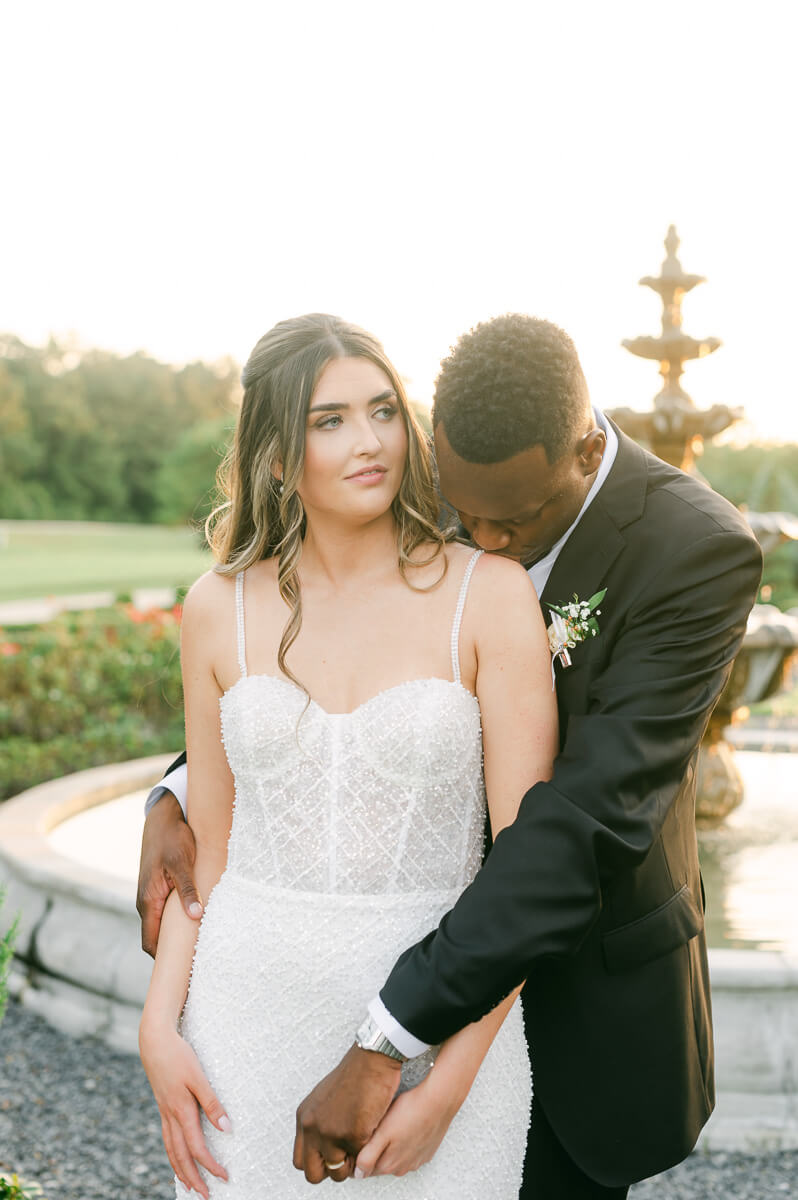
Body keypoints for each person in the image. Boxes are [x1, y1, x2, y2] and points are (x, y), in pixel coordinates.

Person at [140, 314, 762, 1199]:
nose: (482, 537)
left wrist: (398, 1046)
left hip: (572, 983)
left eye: (512, 520)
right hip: (282, 995)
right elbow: (306, 678)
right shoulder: (431, 477)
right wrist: (174, 794)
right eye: (465, 516)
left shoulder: (692, 550)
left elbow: (581, 821)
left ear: (586, 452)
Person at [137, 312, 558, 1199]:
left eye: (382, 411)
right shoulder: (219, 607)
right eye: (329, 421)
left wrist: (446, 1087)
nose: (369, 442)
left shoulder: (487, 596)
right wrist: (158, 1023)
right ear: (278, 458)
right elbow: (208, 843)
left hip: (436, 1030)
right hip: (244, 1023)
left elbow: (526, 874)